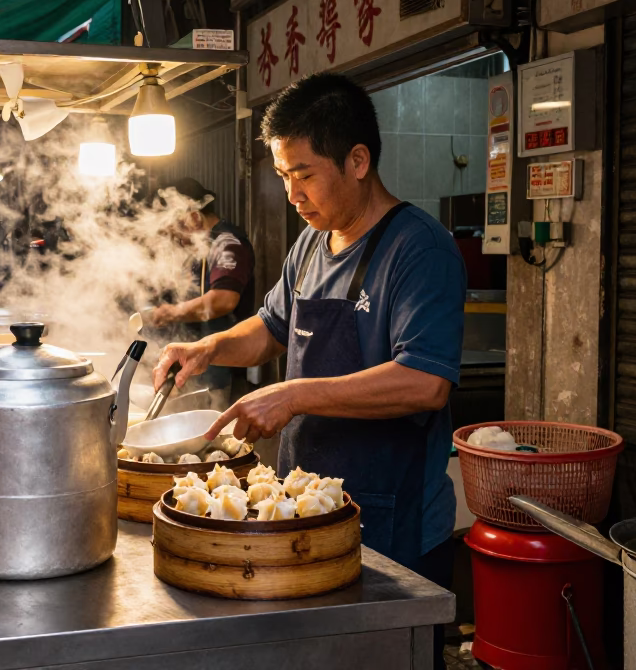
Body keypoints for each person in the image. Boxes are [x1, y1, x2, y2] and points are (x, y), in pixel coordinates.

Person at [151, 73, 464, 668]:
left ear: (358, 160)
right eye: (282, 176)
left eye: (303, 175)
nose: (292, 194)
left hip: (391, 525)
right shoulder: (312, 245)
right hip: (306, 514)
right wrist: (210, 347)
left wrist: (293, 395)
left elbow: (425, 382)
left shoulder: (420, 250)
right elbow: (269, 328)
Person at [146, 178, 255, 405]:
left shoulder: (226, 243)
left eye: (175, 229)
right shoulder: (199, 247)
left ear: (194, 217)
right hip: (197, 366)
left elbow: (224, 300)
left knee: (212, 436)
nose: (175, 238)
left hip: (220, 373)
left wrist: (172, 312)